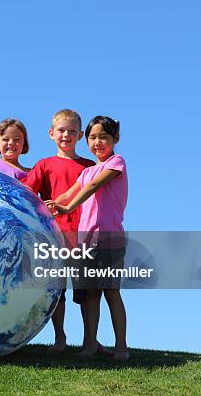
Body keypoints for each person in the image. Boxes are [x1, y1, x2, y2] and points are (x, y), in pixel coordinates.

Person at [46, 116, 129, 360]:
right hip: (86, 243)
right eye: (93, 137)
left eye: (104, 137)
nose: (98, 142)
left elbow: (92, 187)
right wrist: (42, 204)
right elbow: (64, 195)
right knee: (92, 294)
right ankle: (90, 345)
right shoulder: (86, 172)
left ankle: (121, 347)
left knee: (111, 292)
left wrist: (68, 207)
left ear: (116, 139)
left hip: (110, 240)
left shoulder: (117, 162)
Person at [21, 109, 96, 353]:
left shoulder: (90, 166)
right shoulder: (44, 165)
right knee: (57, 292)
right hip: (55, 237)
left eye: (72, 131)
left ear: (80, 135)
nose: (66, 135)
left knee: (87, 292)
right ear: (51, 133)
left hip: (84, 236)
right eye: (61, 130)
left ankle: (90, 341)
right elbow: (26, 193)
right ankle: (60, 338)